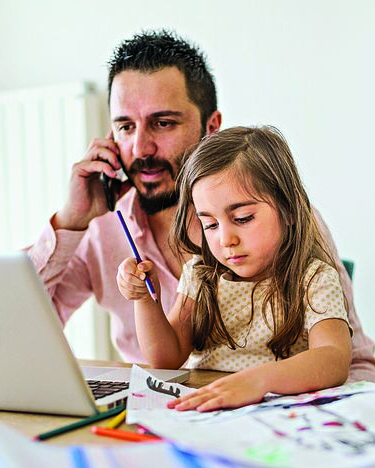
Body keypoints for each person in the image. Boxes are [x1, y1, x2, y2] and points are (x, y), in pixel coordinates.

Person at [27, 29, 375, 383]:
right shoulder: (104, 225)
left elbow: (353, 364)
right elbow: (17, 326)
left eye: (162, 123)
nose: (141, 148)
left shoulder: (292, 224)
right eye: (125, 126)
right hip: (176, 411)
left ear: (211, 128)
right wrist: (71, 221)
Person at [116, 126, 352, 411]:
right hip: (208, 412)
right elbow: (165, 360)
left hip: (280, 417)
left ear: (289, 210)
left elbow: (334, 358)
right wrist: (144, 300)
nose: (226, 239)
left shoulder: (312, 278)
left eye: (242, 218)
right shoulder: (200, 275)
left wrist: (259, 381)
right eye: (211, 225)